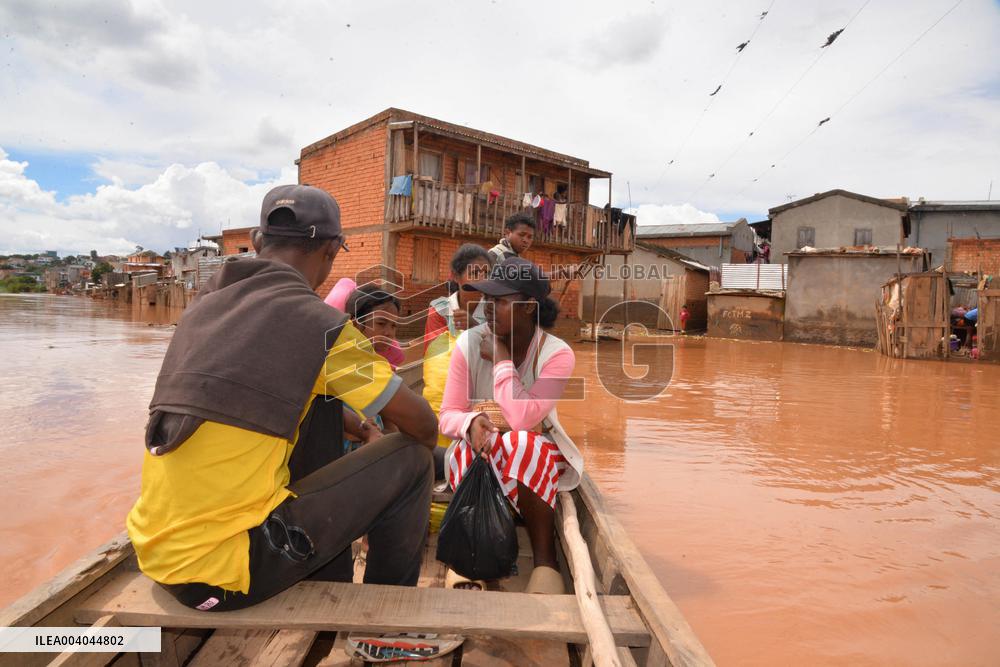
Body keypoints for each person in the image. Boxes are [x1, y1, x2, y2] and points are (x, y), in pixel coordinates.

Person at [126, 184, 438, 612]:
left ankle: (330, 571)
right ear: (331, 251)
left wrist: (361, 429)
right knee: (413, 460)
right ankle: (387, 621)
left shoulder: (204, 309)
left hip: (159, 556)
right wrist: (380, 445)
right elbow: (423, 424)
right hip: (227, 575)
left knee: (321, 400)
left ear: (256, 243)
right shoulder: (322, 327)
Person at [438, 257, 582, 594]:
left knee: (521, 442)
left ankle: (546, 562)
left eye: (500, 301)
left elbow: (522, 418)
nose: (489, 309)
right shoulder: (468, 344)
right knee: (466, 449)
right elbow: (447, 415)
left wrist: (502, 358)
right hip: (487, 452)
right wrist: (471, 421)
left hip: (535, 459)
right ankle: (471, 559)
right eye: (487, 300)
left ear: (529, 308)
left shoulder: (556, 354)